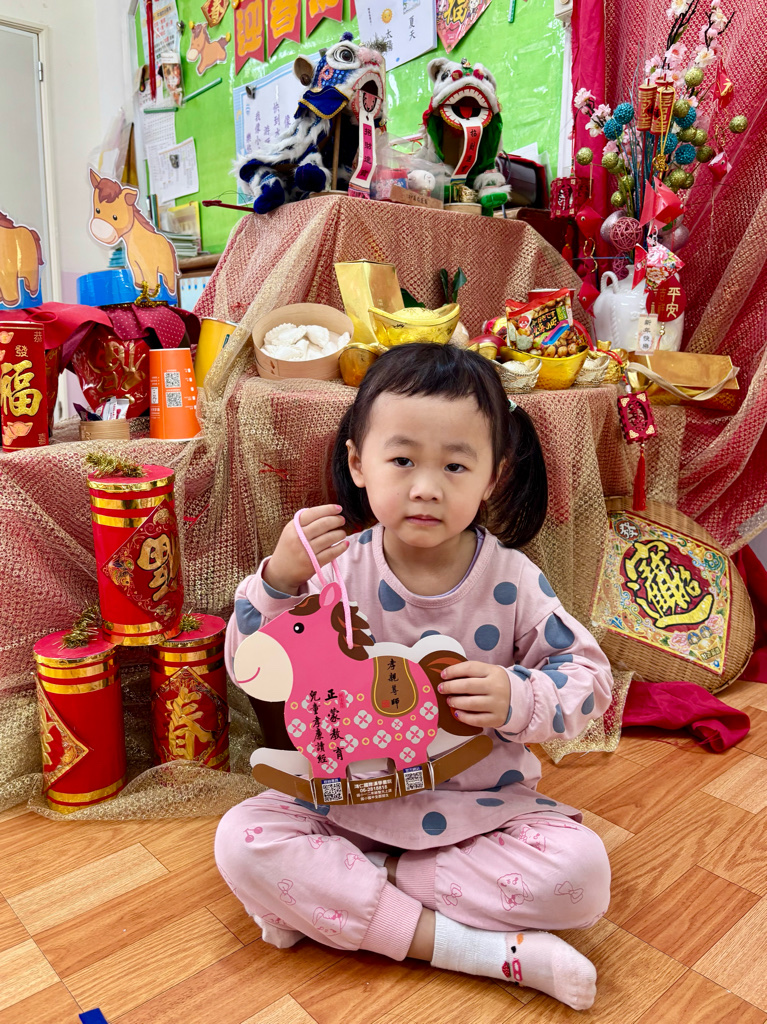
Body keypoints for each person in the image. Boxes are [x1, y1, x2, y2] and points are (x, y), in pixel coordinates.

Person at [215, 342, 613, 1011]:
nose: (426, 486)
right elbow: (247, 668)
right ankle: (480, 950)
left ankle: (348, 897)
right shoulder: (332, 570)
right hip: (341, 805)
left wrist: (517, 695)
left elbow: (589, 679)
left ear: (493, 476)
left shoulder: (513, 579)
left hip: (477, 814)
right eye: (402, 460)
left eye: (455, 465)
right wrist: (278, 581)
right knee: (241, 841)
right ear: (358, 463)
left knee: (582, 876)